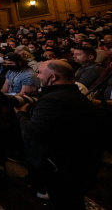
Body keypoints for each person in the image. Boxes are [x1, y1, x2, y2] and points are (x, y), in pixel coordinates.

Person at [15, 60, 102, 209]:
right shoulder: (75, 95)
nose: (38, 76)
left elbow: (34, 132)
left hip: (63, 168)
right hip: (80, 163)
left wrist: (21, 114)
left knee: (65, 201)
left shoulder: (53, 100)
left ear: (53, 77)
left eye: (40, 72)